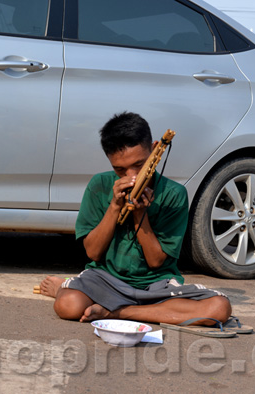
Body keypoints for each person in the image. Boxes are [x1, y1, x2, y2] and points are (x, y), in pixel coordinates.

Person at [39, 112, 231, 327]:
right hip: (106, 279)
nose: (132, 177)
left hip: (156, 284)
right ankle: (78, 292)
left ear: (154, 150)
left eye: (139, 165)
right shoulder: (99, 185)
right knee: (68, 306)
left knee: (218, 309)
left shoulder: (174, 193)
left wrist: (140, 214)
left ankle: (116, 312)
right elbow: (93, 253)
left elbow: (156, 262)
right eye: (120, 169)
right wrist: (114, 206)